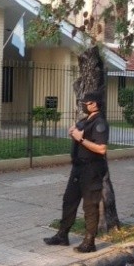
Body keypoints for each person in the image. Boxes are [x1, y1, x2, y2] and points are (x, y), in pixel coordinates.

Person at [43, 91, 109, 253]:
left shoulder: (100, 123)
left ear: (94, 104)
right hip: (78, 168)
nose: (83, 105)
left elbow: (101, 149)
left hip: (92, 169)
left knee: (90, 205)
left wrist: (80, 138)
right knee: (69, 200)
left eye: (86, 103)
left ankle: (89, 242)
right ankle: (62, 235)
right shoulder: (85, 120)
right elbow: (76, 132)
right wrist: (73, 132)